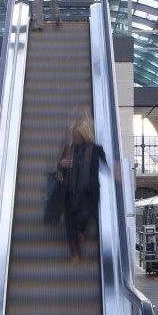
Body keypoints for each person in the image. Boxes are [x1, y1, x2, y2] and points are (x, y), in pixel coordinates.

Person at [58, 112, 105, 261]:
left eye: (77, 136)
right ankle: (75, 254)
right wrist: (61, 165)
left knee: (85, 216)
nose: (74, 138)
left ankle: (81, 230)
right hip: (70, 191)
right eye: (73, 135)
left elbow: (106, 166)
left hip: (88, 193)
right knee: (70, 222)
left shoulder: (96, 149)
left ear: (84, 135)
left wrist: (117, 170)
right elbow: (59, 168)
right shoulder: (68, 149)